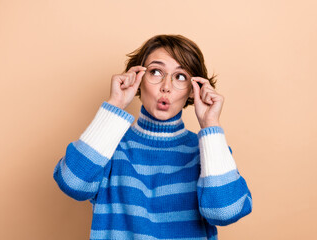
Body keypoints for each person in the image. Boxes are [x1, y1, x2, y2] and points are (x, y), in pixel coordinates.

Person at [53, 34, 253, 240]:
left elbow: (225, 211)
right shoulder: (109, 144)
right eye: (156, 72)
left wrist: (210, 124)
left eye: (180, 76)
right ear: (137, 79)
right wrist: (115, 105)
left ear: (194, 91)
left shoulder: (207, 151)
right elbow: (72, 182)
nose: (166, 86)